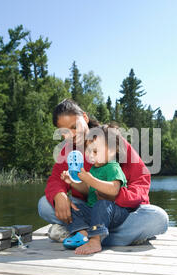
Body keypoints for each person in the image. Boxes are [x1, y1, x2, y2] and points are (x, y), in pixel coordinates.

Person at [37, 98, 168, 246]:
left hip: (120, 211)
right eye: (64, 132)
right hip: (90, 210)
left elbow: (141, 178)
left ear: (85, 118)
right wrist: (59, 194)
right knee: (44, 205)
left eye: (74, 126)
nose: (71, 134)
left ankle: (83, 234)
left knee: (158, 218)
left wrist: (116, 197)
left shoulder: (109, 139)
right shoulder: (67, 152)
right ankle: (119, 236)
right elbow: (55, 180)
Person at [60, 124, 133, 255]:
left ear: (111, 151)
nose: (91, 156)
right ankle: (82, 233)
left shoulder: (113, 167)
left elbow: (114, 189)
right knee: (74, 206)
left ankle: (95, 240)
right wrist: (71, 182)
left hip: (114, 212)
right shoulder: (94, 168)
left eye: (95, 151)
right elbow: (88, 189)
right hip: (95, 212)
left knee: (102, 204)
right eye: (89, 151)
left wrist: (91, 179)